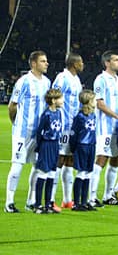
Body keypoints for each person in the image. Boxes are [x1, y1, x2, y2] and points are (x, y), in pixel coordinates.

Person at [6, 51, 51, 214]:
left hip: (38, 134)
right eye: (43, 61)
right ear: (33, 63)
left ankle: (31, 201)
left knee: (37, 166)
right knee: (17, 166)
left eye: (46, 61)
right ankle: (9, 202)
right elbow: (13, 106)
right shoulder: (23, 82)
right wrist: (16, 123)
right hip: (22, 132)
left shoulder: (47, 82)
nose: (47, 64)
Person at [92, 51, 118, 208]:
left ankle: (108, 195)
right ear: (107, 63)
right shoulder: (101, 79)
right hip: (104, 127)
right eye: (116, 60)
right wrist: (117, 116)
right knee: (102, 158)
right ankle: (92, 196)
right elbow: (99, 103)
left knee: (115, 159)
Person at [51, 52, 84, 210]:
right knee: (59, 159)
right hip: (62, 125)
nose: (82, 65)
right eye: (80, 62)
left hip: (73, 126)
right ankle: (51, 199)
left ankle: (67, 199)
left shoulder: (76, 79)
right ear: (74, 64)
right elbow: (52, 98)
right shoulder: (62, 78)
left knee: (70, 161)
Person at [33, 88, 64, 214]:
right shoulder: (46, 115)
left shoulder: (58, 113)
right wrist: (39, 147)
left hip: (55, 145)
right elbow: (39, 132)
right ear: (53, 100)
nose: (63, 100)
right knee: (42, 174)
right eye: (60, 98)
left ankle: (48, 204)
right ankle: (37, 205)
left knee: (52, 174)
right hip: (46, 145)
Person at [70, 90, 97, 211]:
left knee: (88, 173)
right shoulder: (79, 117)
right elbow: (73, 134)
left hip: (91, 145)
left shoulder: (93, 115)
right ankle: (76, 203)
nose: (96, 102)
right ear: (89, 101)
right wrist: (73, 147)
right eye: (94, 100)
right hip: (82, 146)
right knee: (81, 173)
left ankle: (84, 201)